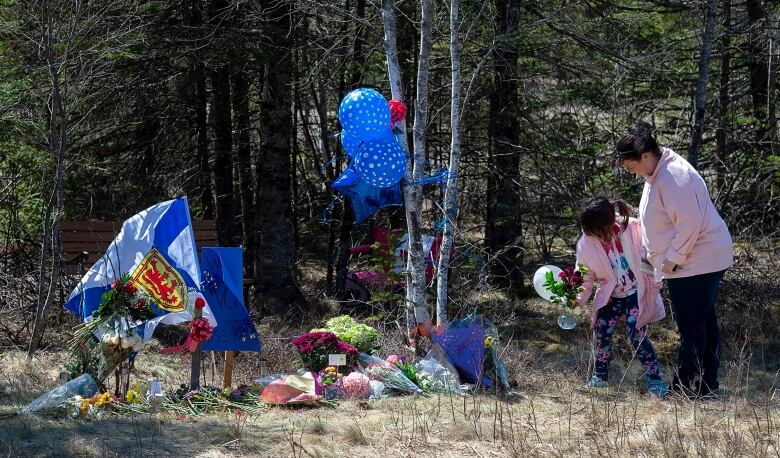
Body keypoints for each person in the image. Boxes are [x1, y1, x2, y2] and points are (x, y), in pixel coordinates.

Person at [614, 123, 733, 398]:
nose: (628, 169)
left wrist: (672, 261)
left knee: (692, 326)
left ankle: (684, 387)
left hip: (696, 261)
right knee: (702, 320)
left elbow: (689, 224)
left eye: (628, 163)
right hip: (692, 261)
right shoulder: (657, 172)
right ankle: (706, 384)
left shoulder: (673, 175)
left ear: (644, 155)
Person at [575, 197, 668, 397]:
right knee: (602, 328)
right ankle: (600, 377)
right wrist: (577, 298)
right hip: (612, 293)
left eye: (602, 228)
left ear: (610, 221)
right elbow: (585, 276)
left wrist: (655, 281)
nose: (601, 235)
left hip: (637, 288)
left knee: (635, 330)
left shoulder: (632, 228)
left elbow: (651, 255)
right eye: (594, 231)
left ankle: (655, 380)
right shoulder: (585, 245)